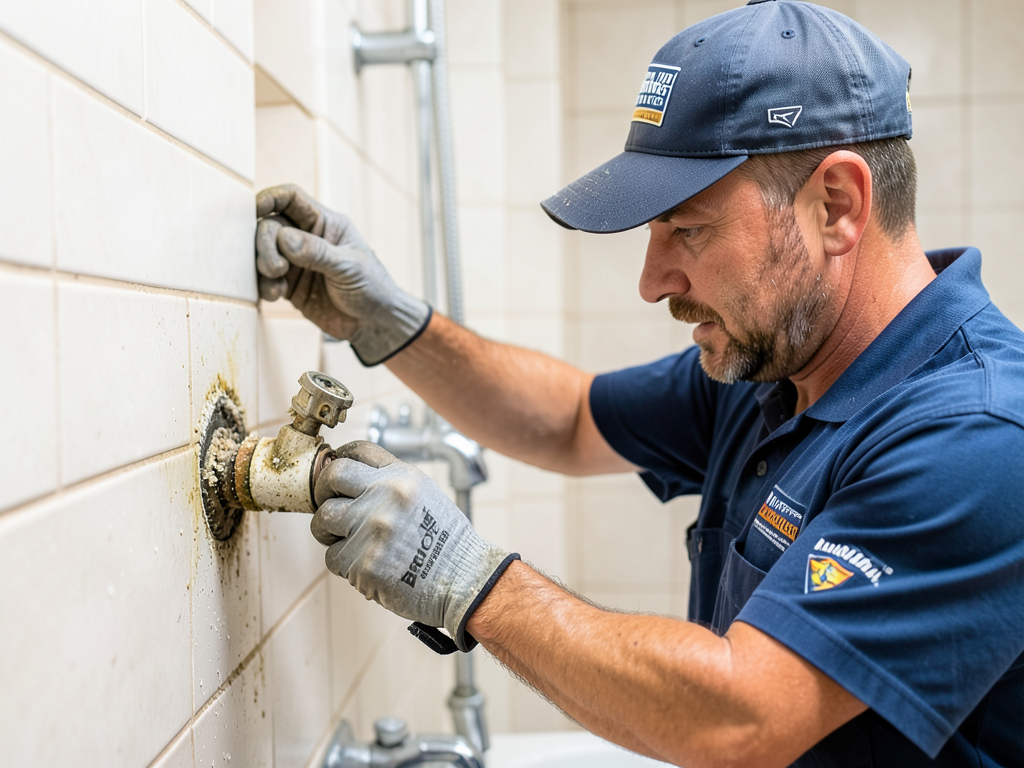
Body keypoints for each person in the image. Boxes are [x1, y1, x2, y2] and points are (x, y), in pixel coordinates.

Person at [253, 1, 1024, 766]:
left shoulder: (977, 438)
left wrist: (470, 581)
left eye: (688, 229)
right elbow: (567, 420)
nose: (653, 283)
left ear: (837, 206)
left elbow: (742, 718)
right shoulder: (773, 373)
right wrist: (390, 324)